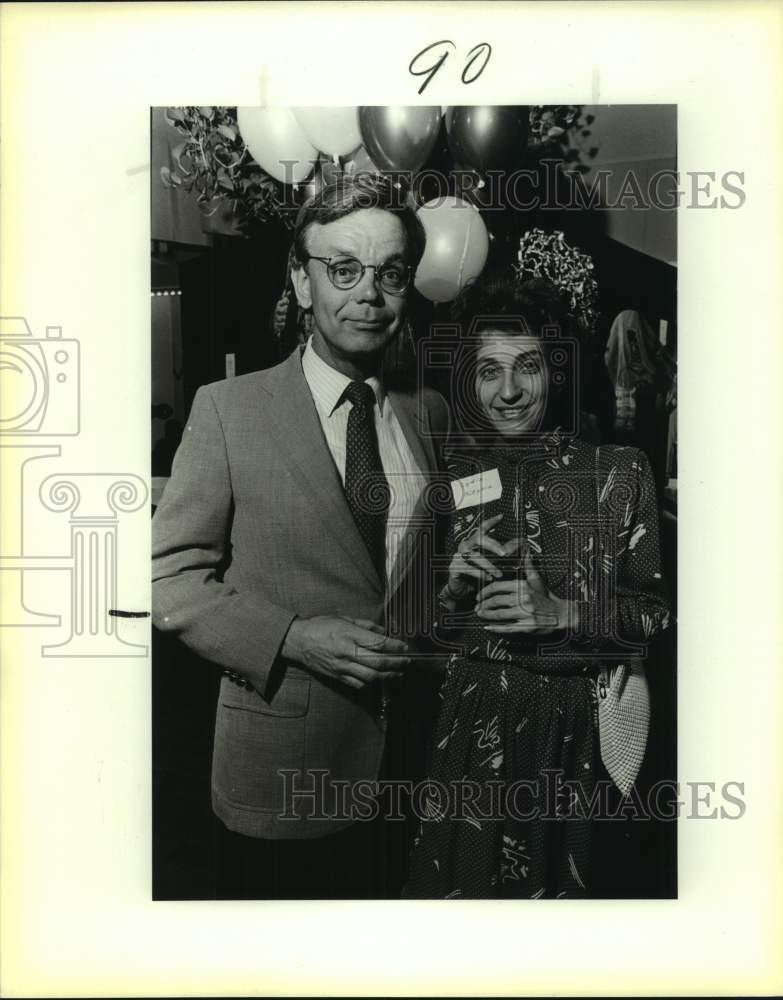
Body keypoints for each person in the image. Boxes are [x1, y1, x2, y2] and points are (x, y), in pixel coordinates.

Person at [151, 173, 449, 899]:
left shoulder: (428, 412)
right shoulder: (228, 411)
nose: (366, 294)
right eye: (342, 269)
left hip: (418, 761)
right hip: (287, 768)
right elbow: (166, 579)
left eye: (389, 273)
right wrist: (290, 636)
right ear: (302, 280)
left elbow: (424, 570)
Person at [403, 273, 670, 899]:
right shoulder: (458, 476)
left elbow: (656, 615)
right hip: (468, 730)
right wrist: (450, 593)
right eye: (489, 372)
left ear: (556, 369)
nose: (510, 391)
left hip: (572, 736)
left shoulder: (621, 471)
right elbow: (428, 632)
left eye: (527, 367)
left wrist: (564, 613)